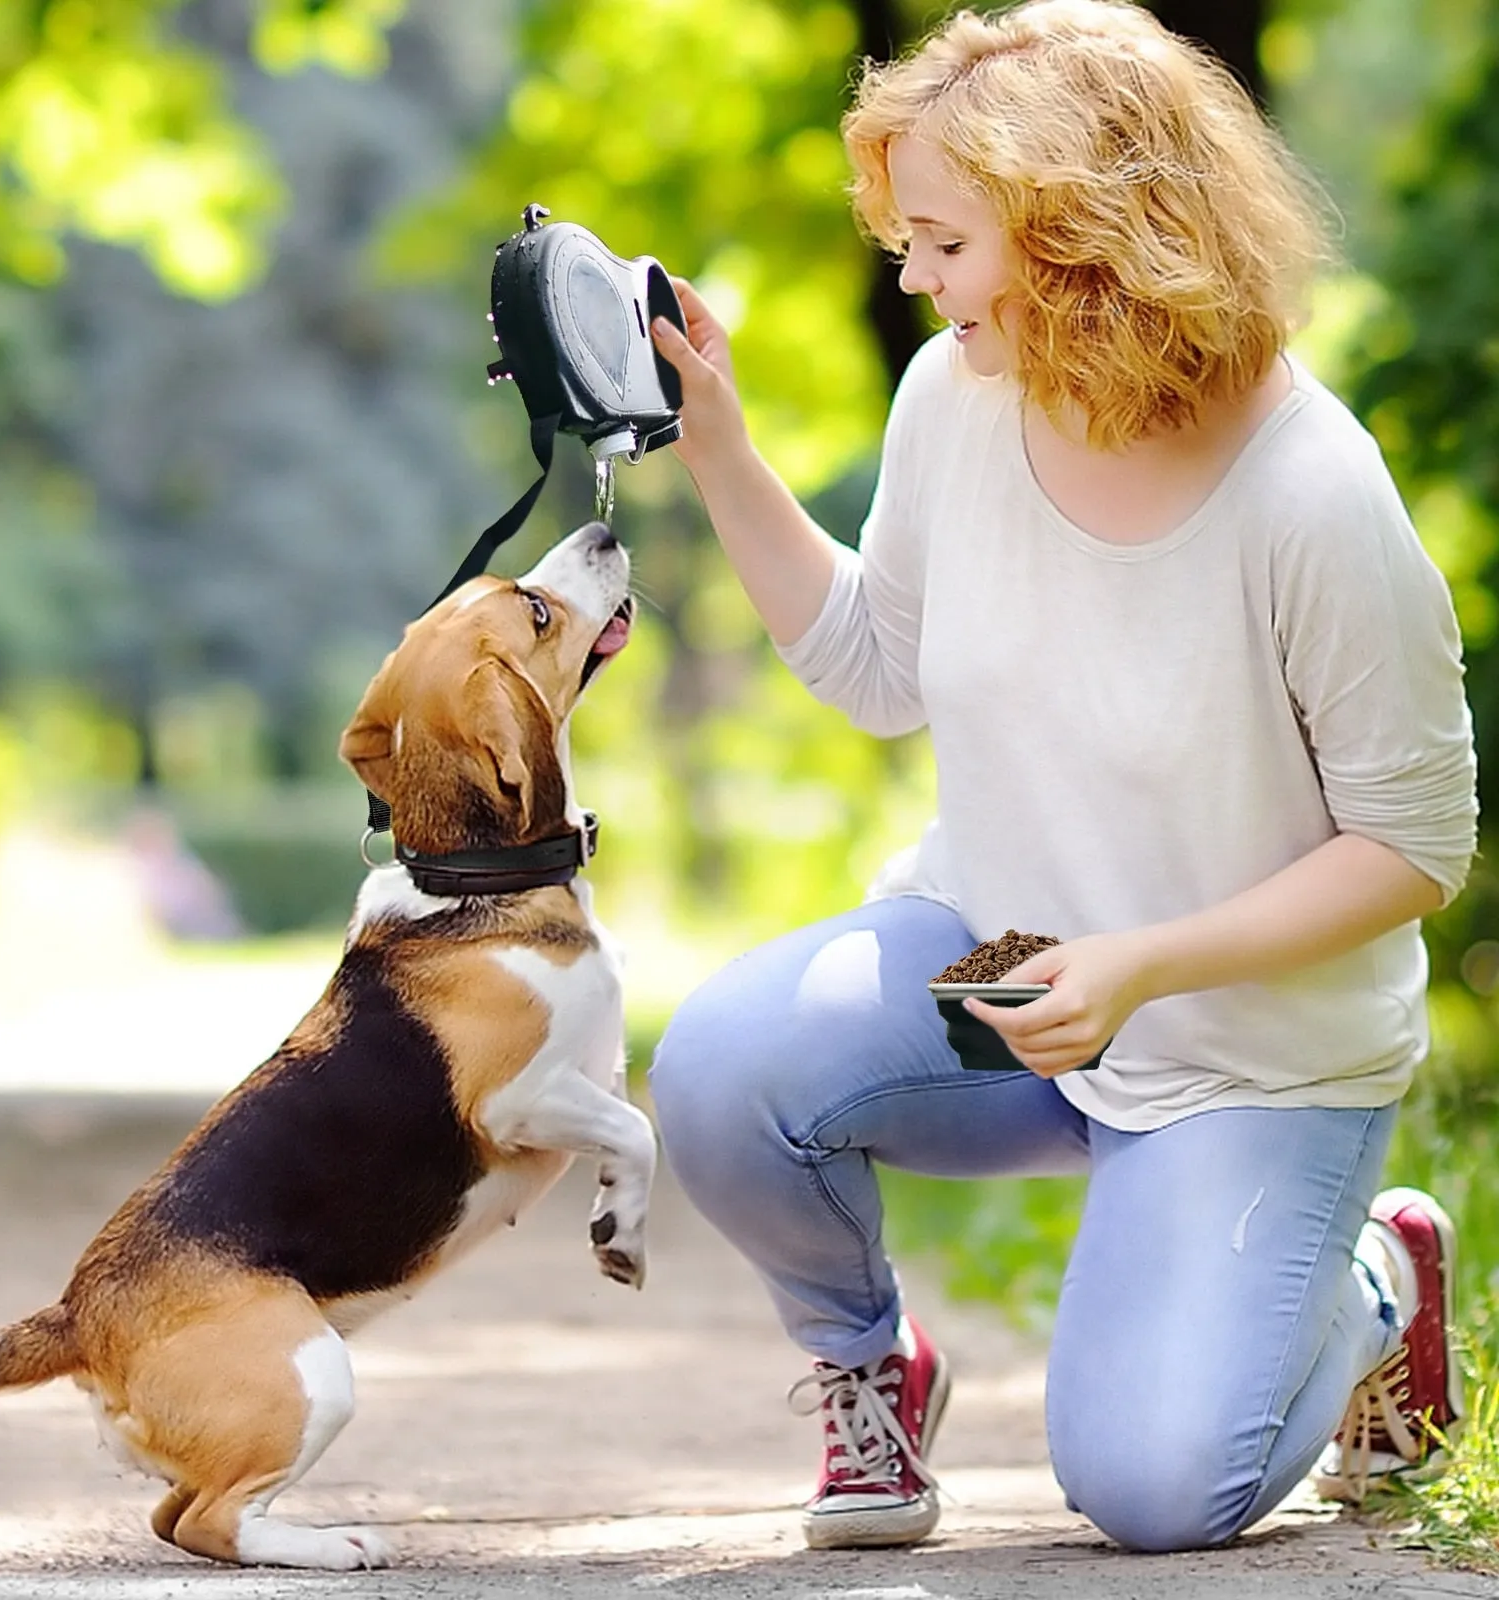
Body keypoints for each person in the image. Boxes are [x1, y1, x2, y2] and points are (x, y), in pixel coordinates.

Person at [645, 0, 1478, 1556]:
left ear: (1078, 233)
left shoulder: (1312, 493)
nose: (908, 275)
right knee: (720, 1071)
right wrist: (718, 446)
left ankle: (1375, 1279)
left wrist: (1147, 965)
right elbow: (875, 667)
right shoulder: (956, 401)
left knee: (1158, 1492)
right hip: (1010, 962)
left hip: (1245, 1044)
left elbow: (1418, 847)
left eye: (942, 241)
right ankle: (866, 1376)